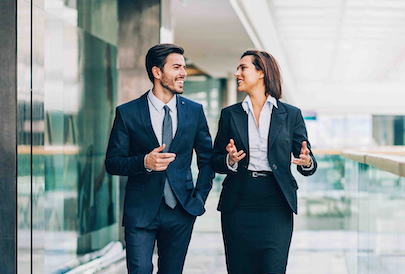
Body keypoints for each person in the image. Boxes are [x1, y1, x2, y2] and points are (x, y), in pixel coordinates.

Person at [105, 43, 214, 274]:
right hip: (140, 212)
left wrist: (199, 198)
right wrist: (144, 162)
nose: (183, 73)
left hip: (181, 210)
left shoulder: (194, 111)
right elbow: (113, 161)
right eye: (176, 67)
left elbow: (207, 160)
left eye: (183, 67)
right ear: (157, 72)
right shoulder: (128, 112)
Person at [211, 49, 317, 274]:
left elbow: (309, 162)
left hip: (276, 203)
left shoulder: (290, 114)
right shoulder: (231, 114)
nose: (236, 73)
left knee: (273, 268)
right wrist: (229, 160)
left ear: (261, 72)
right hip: (238, 202)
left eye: (243, 68)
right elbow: (215, 160)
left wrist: (306, 161)